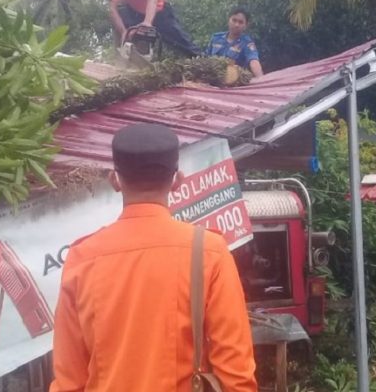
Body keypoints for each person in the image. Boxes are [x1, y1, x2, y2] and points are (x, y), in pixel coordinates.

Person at [50, 123, 257, 392]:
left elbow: (69, 380)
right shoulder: (208, 252)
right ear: (177, 180)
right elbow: (236, 372)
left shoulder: (83, 258)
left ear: (115, 181)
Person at [206, 7, 264, 78]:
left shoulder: (247, 43)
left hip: (234, 85)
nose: (236, 25)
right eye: (234, 20)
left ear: (245, 25)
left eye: (240, 22)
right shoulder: (216, 38)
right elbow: (206, 59)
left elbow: (254, 61)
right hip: (212, 82)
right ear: (228, 20)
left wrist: (262, 80)